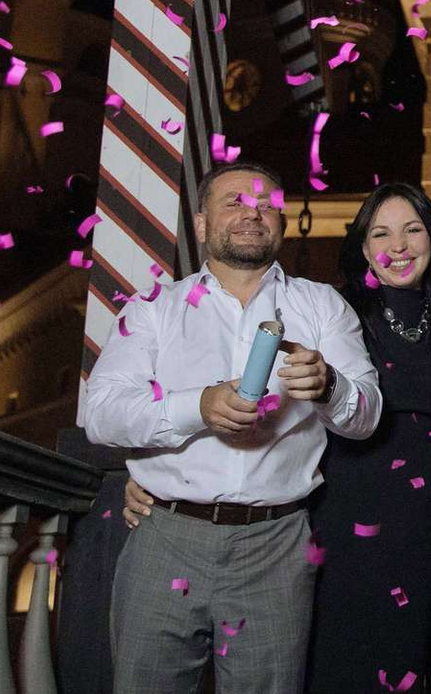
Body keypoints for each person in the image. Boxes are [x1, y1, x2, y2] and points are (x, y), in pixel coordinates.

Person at [121, 181, 431, 689]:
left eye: (413, 230)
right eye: (381, 233)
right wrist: (153, 470)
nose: (399, 245)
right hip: (337, 513)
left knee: (409, 655)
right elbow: (113, 409)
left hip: (421, 516)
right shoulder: (335, 308)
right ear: (363, 248)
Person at [82, 161, 381, 693]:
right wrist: (197, 406)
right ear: (201, 225)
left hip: (276, 543)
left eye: (266, 205)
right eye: (234, 203)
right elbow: (100, 413)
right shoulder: (154, 308)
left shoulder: (322, 306)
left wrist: (330, 385)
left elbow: (368, 416)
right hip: (165, 535)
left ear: (281, 223)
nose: (252, 213)